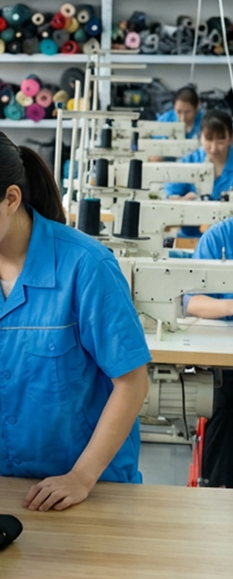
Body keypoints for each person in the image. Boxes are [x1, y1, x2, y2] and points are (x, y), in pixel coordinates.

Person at [0, 125, 150, 511]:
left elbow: (132, 383)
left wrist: (81, 477)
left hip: (89, 488)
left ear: (11, 199)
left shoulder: (86, 266)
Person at [184, 218, 233, 487]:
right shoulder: (219, 237)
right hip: (225, 362)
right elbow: (191, 299)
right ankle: (218, 489)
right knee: (224, 403)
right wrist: (230, 307)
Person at [165, 110, 233, 237]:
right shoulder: (189, 162)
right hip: (190, 237)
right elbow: (170, 193)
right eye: (208, 139)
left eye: (221, 141)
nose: (213, 148)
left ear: (231, 137)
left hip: (228, 238)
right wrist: (180, 202)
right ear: (200, 136)